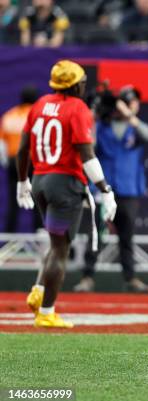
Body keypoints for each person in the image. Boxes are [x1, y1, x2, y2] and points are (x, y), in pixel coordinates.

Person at [17, 60, 117, 328]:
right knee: (61, 249)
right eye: (82, 80)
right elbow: (87, 156)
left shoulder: (39, 105)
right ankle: (47, 312)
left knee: (54, 243)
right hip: (63, 184)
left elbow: (23, 146)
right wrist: (105, 189)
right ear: (74, 84)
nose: (85, 84)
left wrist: (22, 180)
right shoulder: (77, 108)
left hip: (39, 181)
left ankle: (39, 291)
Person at [73, 85, 148, 293]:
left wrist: (128, 115)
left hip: (128, 190)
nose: (128, 107)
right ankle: (87, 277)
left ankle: (131, 278)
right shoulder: (102, 126)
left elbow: (147, 134)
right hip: (104, 189)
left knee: (126, 237)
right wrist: (97, 114)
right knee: (96, 235)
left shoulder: (134, 127)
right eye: (127, 102)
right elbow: (87, 141)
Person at [0, 85, 38, 232]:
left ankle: (10, 240)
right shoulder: (38, 117)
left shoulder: (9, 116)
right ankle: (39, 241)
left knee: (14, 200)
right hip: (33, 164)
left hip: (13, 164)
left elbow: (1, 145)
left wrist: (6, 162)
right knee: (37, 200)